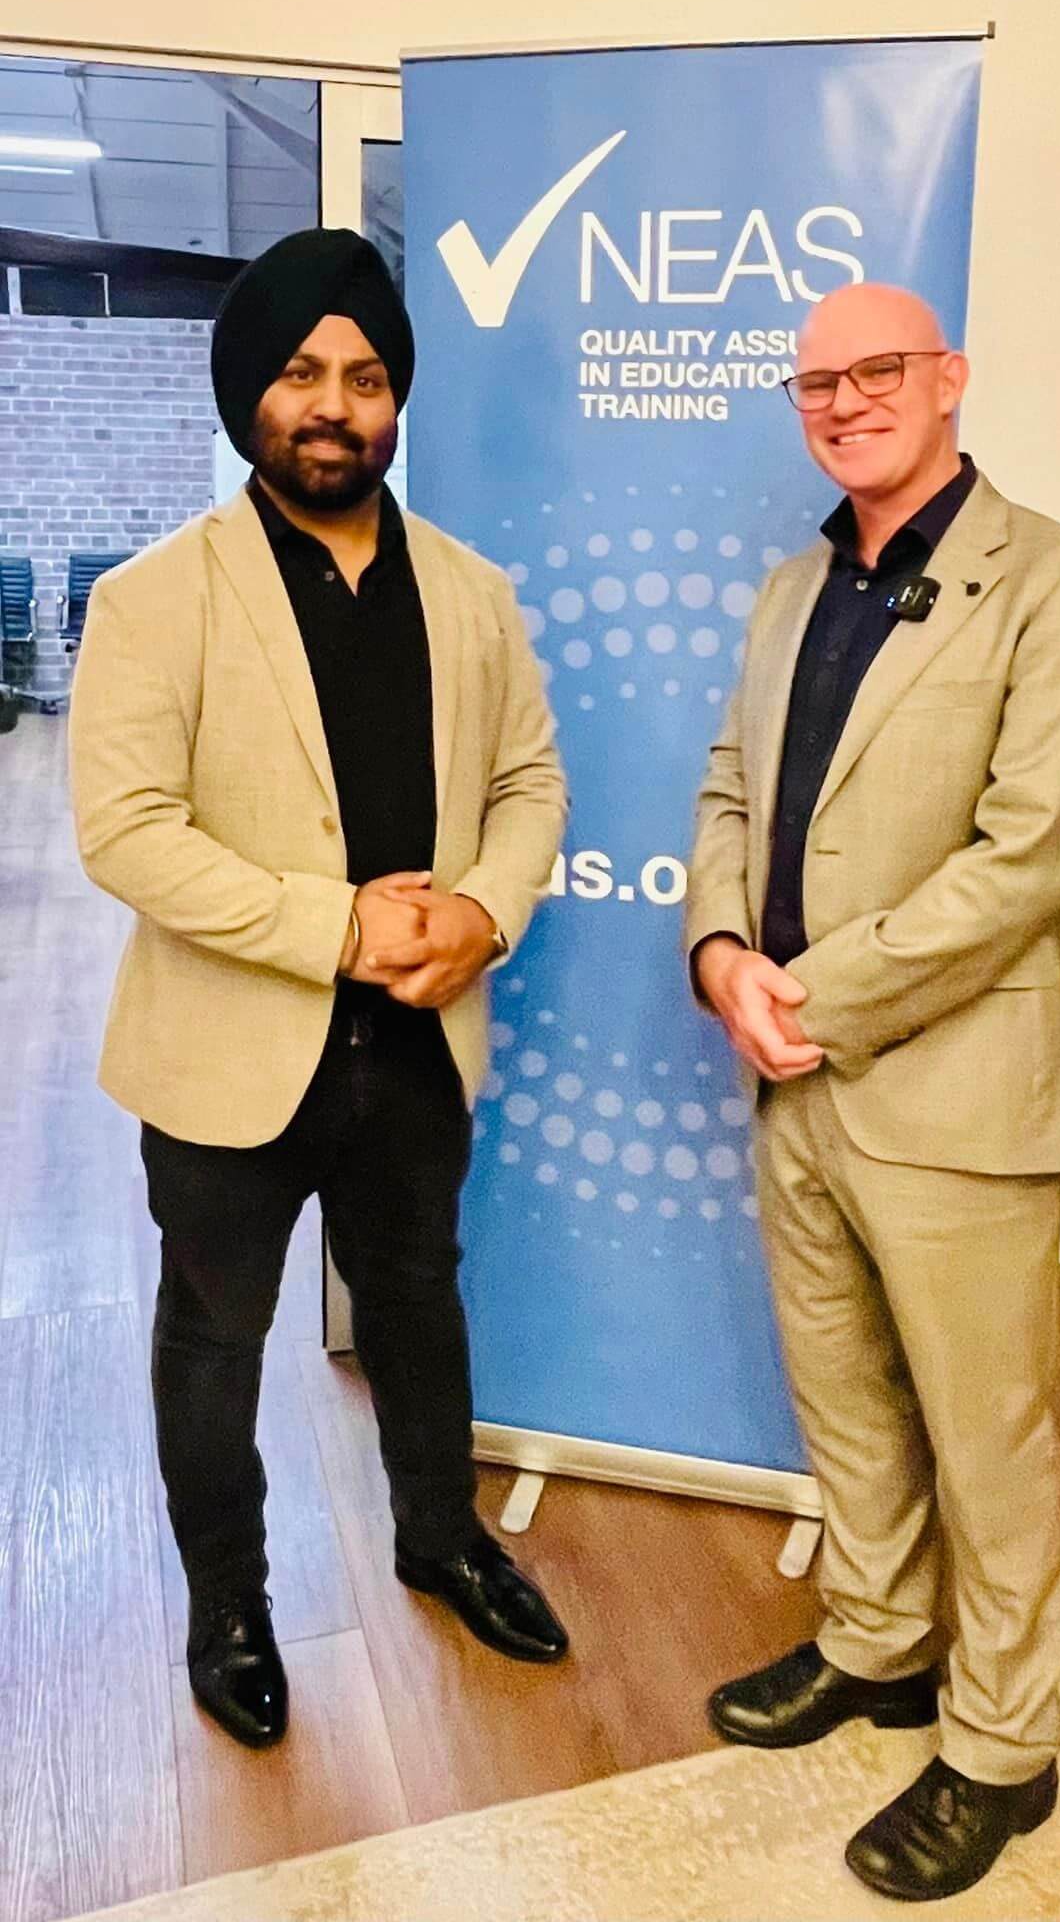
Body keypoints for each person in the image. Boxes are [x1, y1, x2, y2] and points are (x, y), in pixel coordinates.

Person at [69, 227, 570, 1752]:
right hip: (232, 1052)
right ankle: (230, 1605)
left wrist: (482, 911)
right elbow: (126, 831)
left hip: (419, 1047)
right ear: (250, 396)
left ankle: (441, 1537)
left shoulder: (473, 593)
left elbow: (530, 784)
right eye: (300, 373)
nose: (334, 406)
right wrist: (335, 926)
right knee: (216, 1338)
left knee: (417, 1299)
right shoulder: (156, 597)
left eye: (363, 376)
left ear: (397, 399)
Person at [686, 283, 1060, 1901]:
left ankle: (1004, 1745)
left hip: (953, 1083)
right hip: (790, 1072)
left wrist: (812, 994)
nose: (845, 400)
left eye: (878, 370)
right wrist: (721, 956)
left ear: (951, 378)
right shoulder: (792, 588)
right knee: (846, 1396)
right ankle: (878, 1641)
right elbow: (730, 790)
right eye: (816, 380)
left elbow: (1032, 855)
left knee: (988, 1431)